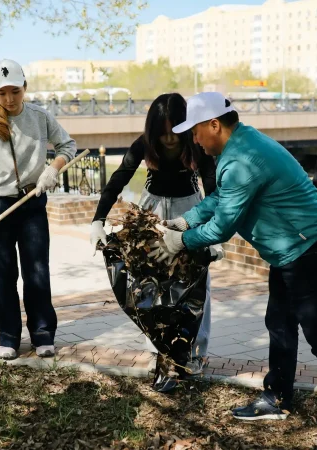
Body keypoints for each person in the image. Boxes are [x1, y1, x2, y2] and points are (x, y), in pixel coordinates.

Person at [150, 92, 317, 450]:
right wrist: (184, 220)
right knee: (279, 324)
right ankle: (276, 398)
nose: (193, 140)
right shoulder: (241, 145)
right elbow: (218, 199)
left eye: (195, 131)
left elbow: (222, 228)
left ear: (214, 125)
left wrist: (179, 241)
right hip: (290, 252)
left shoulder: (242, 159)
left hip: (312, 249)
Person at [90, 93, 222, 380]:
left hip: (191, 209)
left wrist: (214, 234)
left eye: (174, 132)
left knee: (195, 281)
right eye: (162, 135)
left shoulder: (194, 143)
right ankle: (159, 351)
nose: (170, 140)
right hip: (152, 209)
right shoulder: (143, 144)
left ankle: (195, 352)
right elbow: (119, 178)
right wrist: (97, 219)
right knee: (149, 281)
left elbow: (212, 185)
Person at [0, 59, 77, 360]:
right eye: (2, 93)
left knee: (37, 271)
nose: (9, 99)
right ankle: (9, 338)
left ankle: (43, 334)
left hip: (32, 204)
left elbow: (67, 146)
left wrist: (53, 169)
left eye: (15, 91)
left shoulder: (40, 117)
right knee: (2, 275)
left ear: (24, 88)